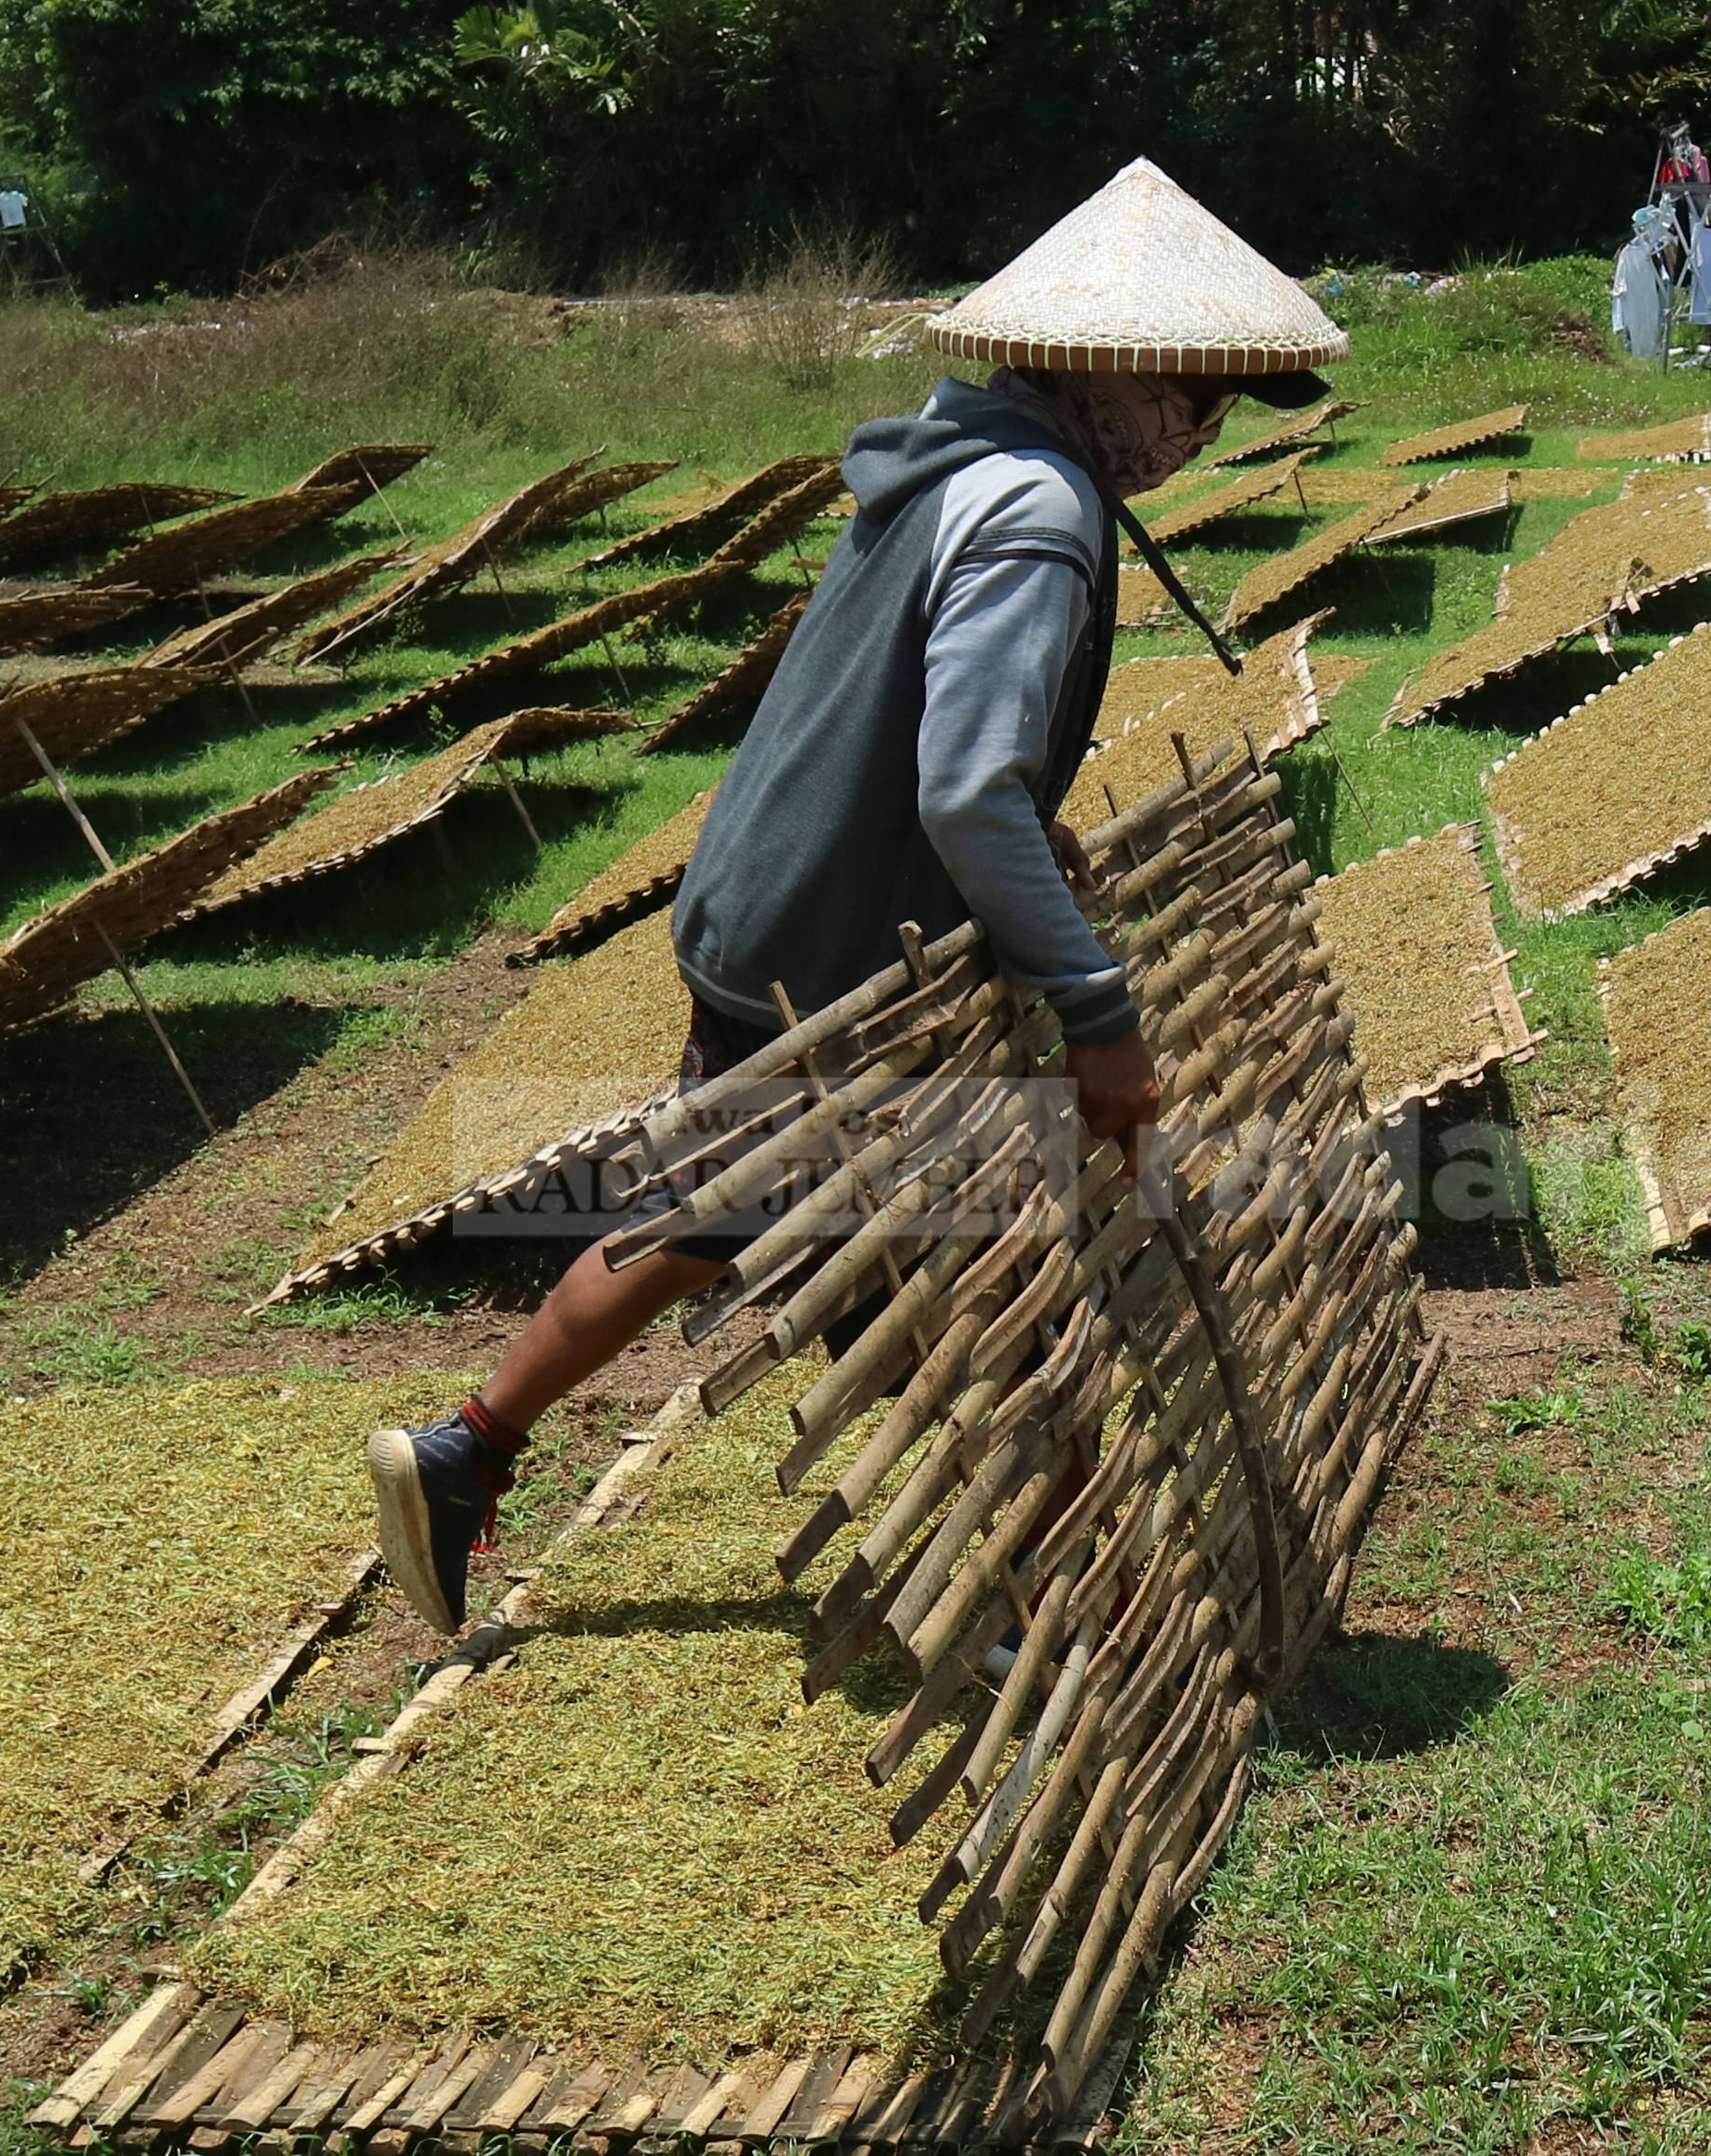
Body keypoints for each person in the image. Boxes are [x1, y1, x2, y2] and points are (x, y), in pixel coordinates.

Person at [365, 159, 1349, 1635]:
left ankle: (467, 1450)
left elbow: (920, 733)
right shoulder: (1036, 509)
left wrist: (1036, 830)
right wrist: (1096, 1001)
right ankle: (1040, 1615)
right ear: (1124, 372)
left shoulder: (956, 457)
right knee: (994, 1266)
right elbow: (962, 786)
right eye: (1199, 403)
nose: (1199, 439)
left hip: (769, 909)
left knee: (708, 1211)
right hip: (835, 956)